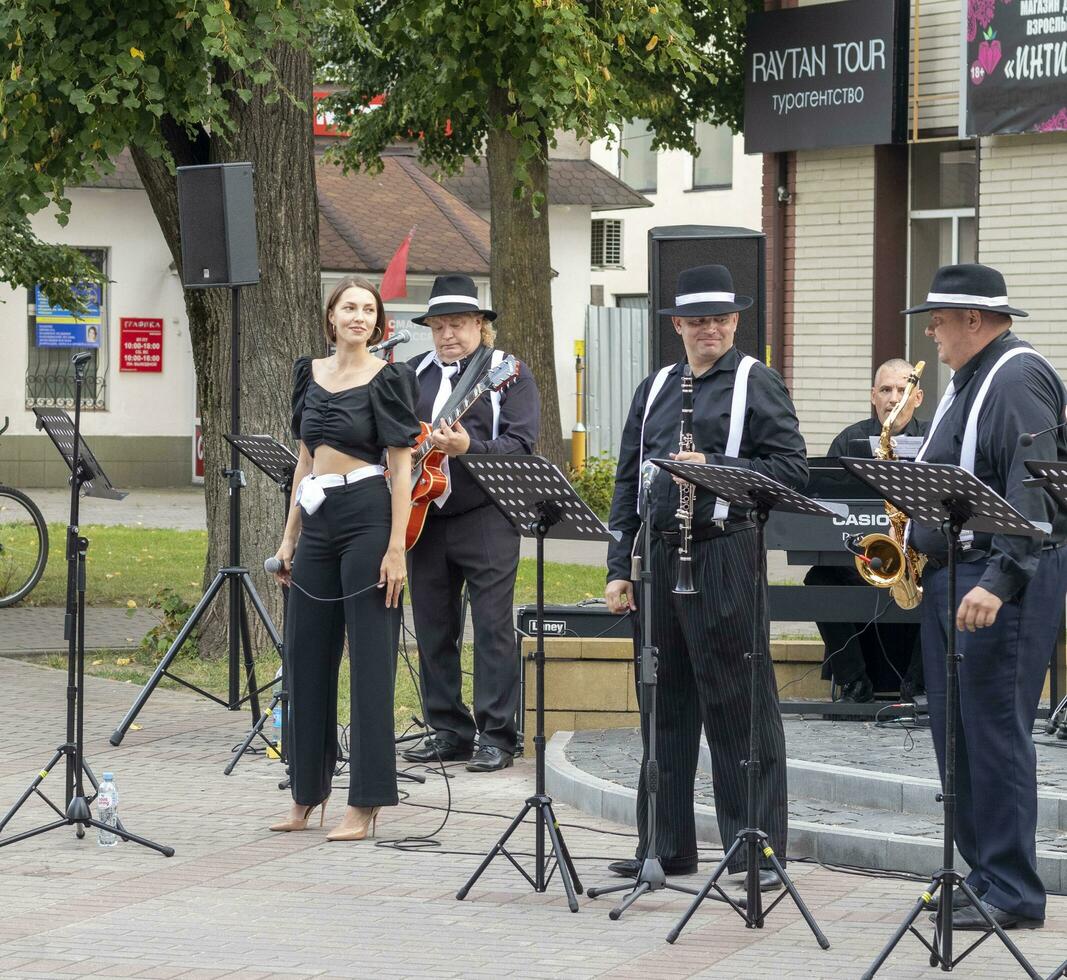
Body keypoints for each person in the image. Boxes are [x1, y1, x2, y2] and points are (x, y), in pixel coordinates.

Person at [604, 264, 807, 885]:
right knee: (662, 705)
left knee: (737, 706)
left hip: (725, 553)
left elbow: (792, 472)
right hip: (662, 559)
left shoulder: (756, 381)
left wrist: (714, 466)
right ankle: (663, 849)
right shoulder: (656, 386)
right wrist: (619, 568)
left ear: (735, 322)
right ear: (679, 327)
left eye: (720, 319)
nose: (709, 330)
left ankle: (756, 849)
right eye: (697, 321)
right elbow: (626, 481)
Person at [903, 263, 1067, 930]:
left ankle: (1011, 889)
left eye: (938, 320)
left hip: (998, 580)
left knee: (994, 734)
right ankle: (980, 872)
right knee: (958, 736)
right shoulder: (966, 380)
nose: (932, 333)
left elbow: (1035, 487)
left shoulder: (1016, 375)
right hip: (955, 576)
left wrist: (998, 582)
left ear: (974, 320)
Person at [269, 276, 420, 841]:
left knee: (371, 659)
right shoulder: (306, 373)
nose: (359, 316)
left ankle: (368, 802)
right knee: (306, 659)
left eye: (368, 310)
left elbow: (402, 467)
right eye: (349, 307)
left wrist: (396, 547)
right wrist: (289, 539)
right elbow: (304, 461)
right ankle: (306, 795)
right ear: (330, 317)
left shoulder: (389, 379)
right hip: (318, 520)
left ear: (377, 323)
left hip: (367, 515)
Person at [400, 275, 540, 773]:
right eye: (437, 327)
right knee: (434, 628)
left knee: (492, 627)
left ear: (481, 326)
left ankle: (497, 734)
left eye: (457, 324)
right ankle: (447, 729)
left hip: (487, 516)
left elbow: (522, 445)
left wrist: (470, 449)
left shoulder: (508, 374)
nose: (446, 336)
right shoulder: (411, 373)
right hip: (424, 516)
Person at [804, 359, 928, 703]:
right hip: (866, 559)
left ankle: (917, 686)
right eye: (886, 390)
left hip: (917, 561)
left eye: (902, 390)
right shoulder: (849, 440)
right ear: (873, 396)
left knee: (944, 585)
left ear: (917, 397)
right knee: (819, 581)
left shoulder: (934, 438)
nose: (893, 398)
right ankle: (854, 683)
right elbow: (826, 504)